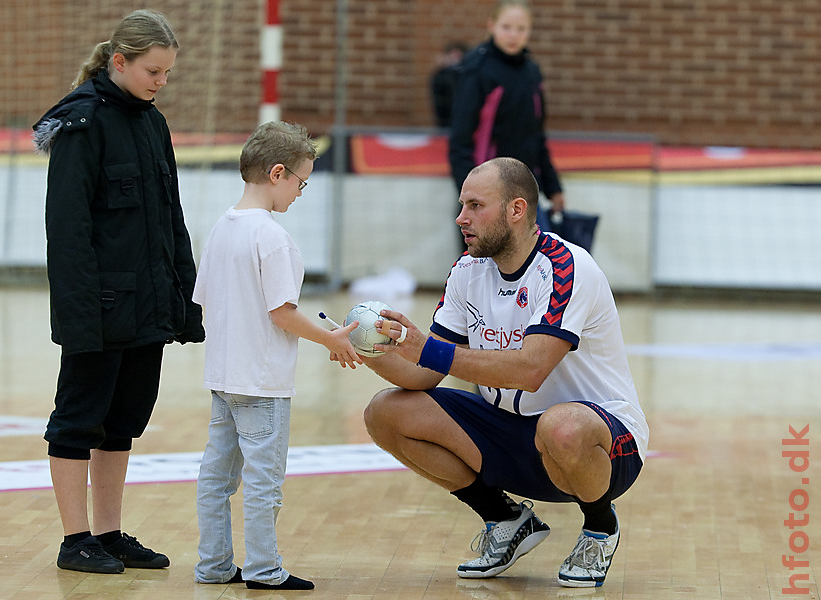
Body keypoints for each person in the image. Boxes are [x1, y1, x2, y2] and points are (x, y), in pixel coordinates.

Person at [360, 157, 648, 588]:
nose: (461, 218)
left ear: (516, 210)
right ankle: (505, 518)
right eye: (461, 205)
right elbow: (423, 376)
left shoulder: (568, 267)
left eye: (475, 205)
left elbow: (530, 370)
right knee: (386, 412)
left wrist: (428, 350)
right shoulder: (466, 271)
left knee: (562, 425)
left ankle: (600, 525)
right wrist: (369, 350)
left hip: (600, 445)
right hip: (512, 434)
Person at [32, 9, 205, 574]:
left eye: (167, 73)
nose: (160, 81)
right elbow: (69, 231)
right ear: (119, 62)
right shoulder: (82, 125)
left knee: (124, 420)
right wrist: (81, 320)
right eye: (152, 70)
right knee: (79, 419)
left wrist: (185, 299)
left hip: (148, 307)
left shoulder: (153, 123)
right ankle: (74, 538)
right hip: (100, 310)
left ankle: (107, 533)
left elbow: (170, 220)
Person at [192, 121, 362, 590]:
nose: (301, 192)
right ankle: (265, 570)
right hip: (263, 383)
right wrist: (332, 338)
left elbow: (207, 298)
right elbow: (282, 314)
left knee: (216, 478)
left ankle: (213, 565)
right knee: (264, 483)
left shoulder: (221, 229)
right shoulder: (272, 237)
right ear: (279, 173)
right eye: (301, 182)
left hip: (224, 377)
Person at [448, 0, 565, 221]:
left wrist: (553, 187)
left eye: (521, 29)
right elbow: (460, 141)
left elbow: (536, 136)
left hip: (527, 193)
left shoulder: (531, 72)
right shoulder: (477, 70)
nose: (514, 35)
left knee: (537, 255)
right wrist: (471, 198)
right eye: (506, 27)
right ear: (491, 26)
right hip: (487, 197)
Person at [430, 41, 468, 128]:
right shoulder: (441, 75)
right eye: (453, 56)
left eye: (459, 56)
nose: (456, 61)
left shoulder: (469, 75)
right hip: (446, 121)